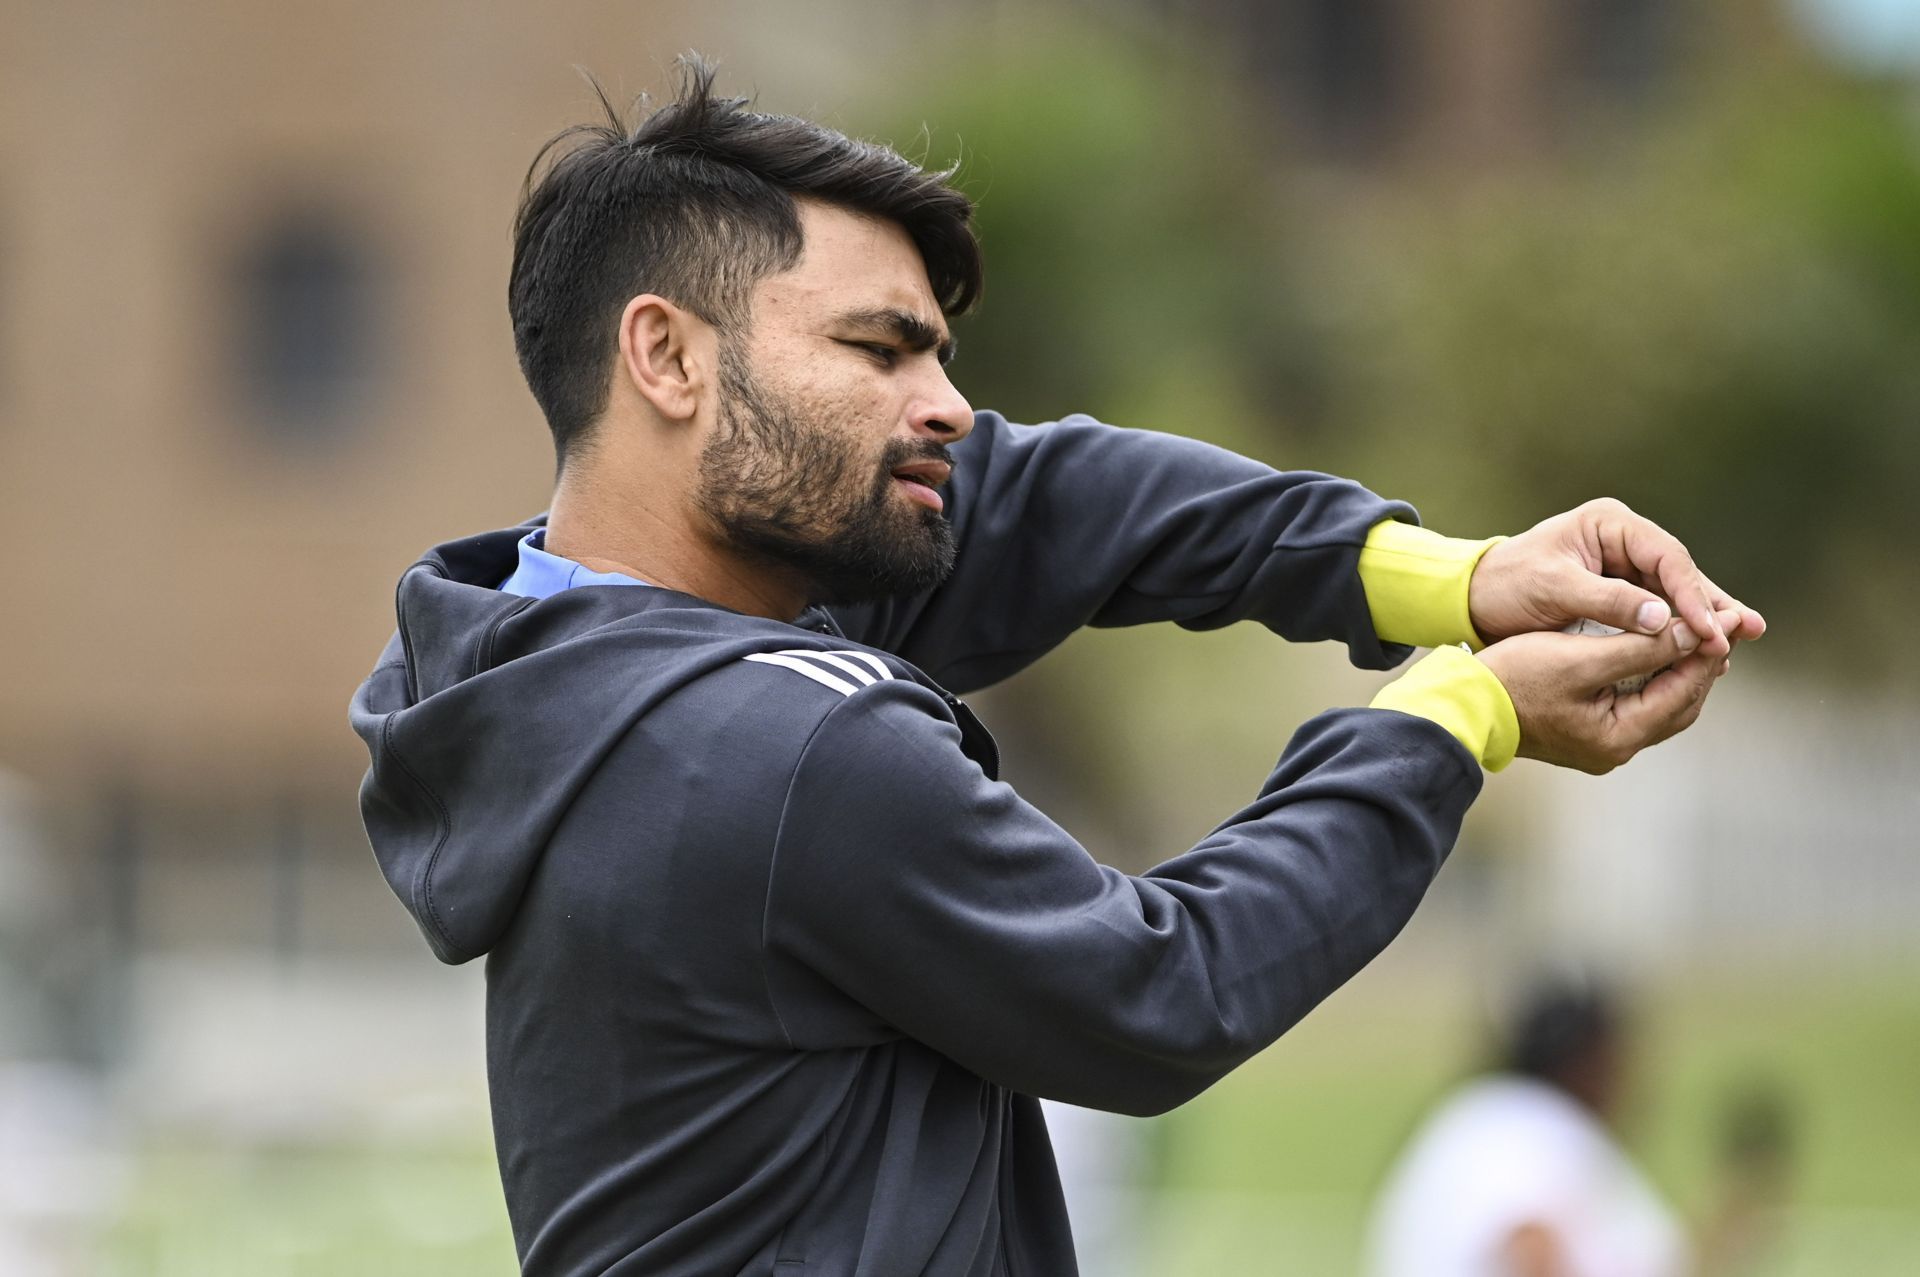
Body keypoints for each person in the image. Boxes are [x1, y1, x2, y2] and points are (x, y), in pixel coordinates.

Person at [348, 57, 1764, 1277]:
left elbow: (1038, 499)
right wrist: (1463, 714)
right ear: (667, 356)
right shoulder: (781, 749)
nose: (949, 405)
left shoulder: (560, 669)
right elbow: (1159, 991)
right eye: (880, 348)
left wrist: (1445, 576)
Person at [1365, 979, 1789, 1277]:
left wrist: (1738, 1207)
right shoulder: (1528, 1125)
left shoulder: (1492, 1120)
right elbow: (1530, 1246)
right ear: (1587, 1065)